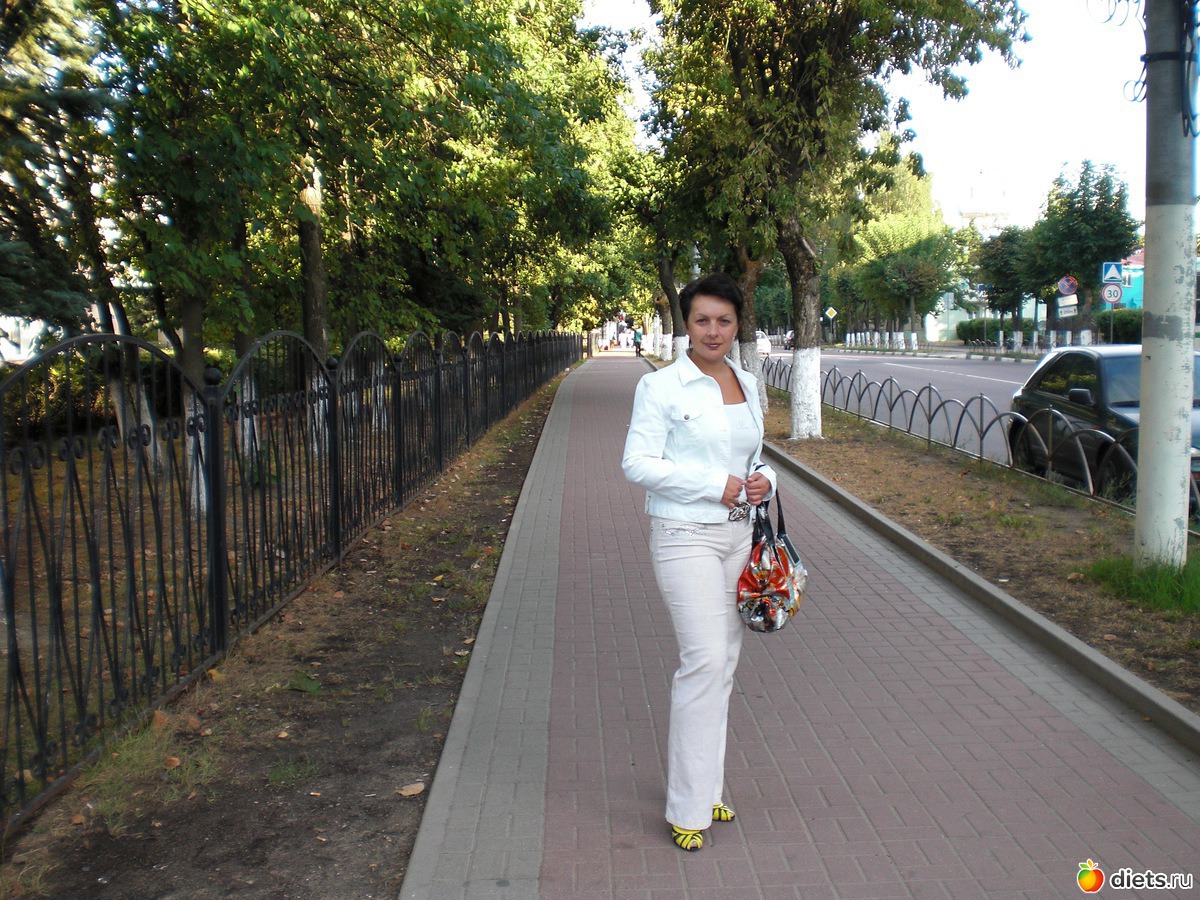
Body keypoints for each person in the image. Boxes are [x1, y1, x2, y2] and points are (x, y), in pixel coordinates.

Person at [621, 272, 777, 852]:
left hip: (741, 535)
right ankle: (687, 807)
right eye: (702, 320)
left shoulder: (747, 381)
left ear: (738, 325)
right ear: (685, 324)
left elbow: (755, 455)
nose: (713, 331)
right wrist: (716, 484)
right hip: (685, 534)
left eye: (724, 320)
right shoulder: (661, 386)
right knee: (704, 660)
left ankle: (707, 787)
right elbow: (637, 463)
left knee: (724, 663)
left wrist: (765, 480)